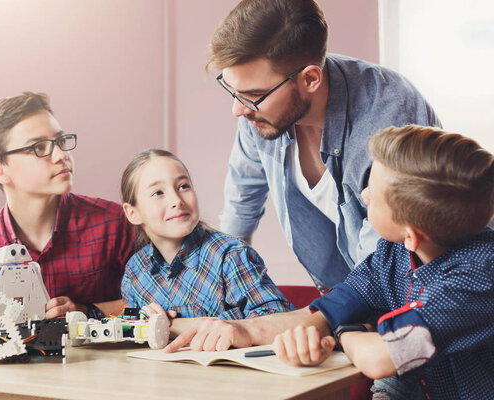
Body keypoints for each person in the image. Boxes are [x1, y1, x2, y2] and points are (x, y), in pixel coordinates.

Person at [167, 0, 440, 351]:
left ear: (310, 78)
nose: (238, 109)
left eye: (251, 95)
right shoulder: (262, 113)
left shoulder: (388, 116)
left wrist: (264, 329)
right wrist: (218, 298)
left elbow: (380, 270)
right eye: (232, 90)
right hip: (348, 306)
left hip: (420, 304)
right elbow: (239, 208)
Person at [272, 125, 494, 399]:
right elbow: (337, 306)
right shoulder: (394, 252)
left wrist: (345, 333)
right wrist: (286, 335)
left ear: (412, 235)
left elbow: (381, 357)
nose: (363, 195)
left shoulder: (476, 281)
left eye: (374, 197)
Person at [0, 92, 135, 333]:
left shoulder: (114, 223)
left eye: (60, 142)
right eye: (39, 148)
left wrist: (89, 312)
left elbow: (156, 306)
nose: (61, 155)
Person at [120, 149, 293, 334]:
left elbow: (278, 320)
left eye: (183, 186)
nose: (176, 200)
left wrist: (174, 326)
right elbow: (128, 327)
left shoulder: (231, 254)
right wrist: (142, 323)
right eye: (158, 193)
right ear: (133, 213)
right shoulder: (135, 271)